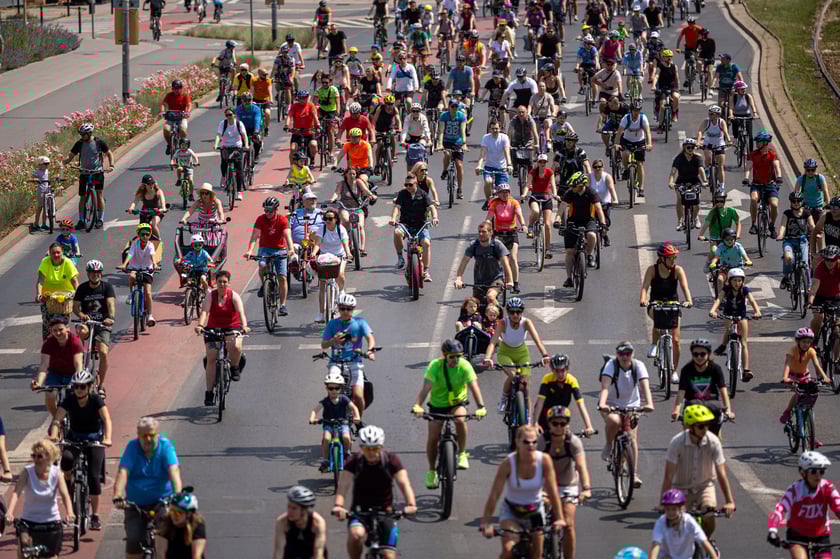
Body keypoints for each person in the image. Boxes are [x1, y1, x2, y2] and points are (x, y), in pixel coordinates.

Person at [480, 425, 566, 559]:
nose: (531, 446)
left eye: (534, 442)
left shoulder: (544, 461)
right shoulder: (508, 463)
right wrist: (486, 522)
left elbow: (553, 491)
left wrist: (560, 518)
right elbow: (495, 494)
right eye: (526, 442)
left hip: (535, 512)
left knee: (537, 554)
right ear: (517, 442)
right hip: (512, 512)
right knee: (508, 551)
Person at [332, 425, 417, 559]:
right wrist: (339, 506)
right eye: (367, 449)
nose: (371, 452)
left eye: (375, 448)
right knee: (356, 535)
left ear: (381, 447)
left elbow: (404, 483)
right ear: (361, 448)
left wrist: (411, 504)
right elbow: (343, 486)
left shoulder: (391, 460)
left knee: (389, 555)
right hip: (360, 511)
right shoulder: (354, 461)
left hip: (386, 511)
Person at [412, 339, 487, 486]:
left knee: (460, 419)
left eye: (458, 356)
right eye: (452, 356)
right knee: (433, 438)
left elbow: (474, 387)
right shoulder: (435, 366)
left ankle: (462, 453)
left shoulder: (465, 366)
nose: (456, 359)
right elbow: (426, 388)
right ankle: (432, 471)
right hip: (437, 405)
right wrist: (418, 406)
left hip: (457, 402)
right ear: (445, 356)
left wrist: (481, 407)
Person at [48, 369, 111, 531]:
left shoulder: (96, 400)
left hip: (94, 440)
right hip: (74, 438)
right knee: (67, 461)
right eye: (76, 387)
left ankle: (95, 515)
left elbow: (106, 419)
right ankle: (69, 486)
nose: (79, 390)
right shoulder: (69, 400)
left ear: (89, 387)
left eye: (83, 387)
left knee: (93, 476)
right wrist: (54, 435)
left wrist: (107, 438)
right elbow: (57, 419)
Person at [660, 404, 736, 539]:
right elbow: (668, 477)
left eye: (707, 425)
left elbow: (721, 473)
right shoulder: (677, 443)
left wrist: (729, 501)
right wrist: (663, 503)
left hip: (705, 487)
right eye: (701, 426)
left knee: (710, 515)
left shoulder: (713, 442)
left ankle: (706, 544)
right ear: (690, 427)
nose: (705, 429)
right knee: (677, 526)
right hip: (681, 488)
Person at [113, 417, 183, 559]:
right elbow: (123, 472)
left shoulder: (165, 447)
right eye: (144, 436)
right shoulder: (132, 448)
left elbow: (174, 471)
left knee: (165, 538)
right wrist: (118, 494)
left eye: (152, 435)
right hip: (135, 503)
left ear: (157, 434)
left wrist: (177, 495)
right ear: (138, 435)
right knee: (133, 540)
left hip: (162, 501)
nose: (148, 439)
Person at [597, 341, 654, 487]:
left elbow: (645, 386)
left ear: (632, 354)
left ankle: (633, 474)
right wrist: (603, 404)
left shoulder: (638, 366)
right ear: (617, 355)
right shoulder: (611, 365)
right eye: (621, 354)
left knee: (632, 438)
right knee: (615, 421)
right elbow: (605, 386)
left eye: (627, 353)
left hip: (631, 406)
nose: (624, 357)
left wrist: (649, 403)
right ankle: (609, 445)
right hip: (611, 404)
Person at [4, 439, 74, 559]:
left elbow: (64, 494)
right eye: (33, 456)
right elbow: (16, 492)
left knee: (51, 555)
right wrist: (9, 512)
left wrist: (69, 512)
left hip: (51, 521)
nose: (35, 459)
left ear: (49, 457)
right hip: (29, 521)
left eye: (39, 456)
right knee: (24, 552)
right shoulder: (27, 472)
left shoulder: (56, 473)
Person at [484, 297, 551, 412]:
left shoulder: (526, 322)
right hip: (505, 352)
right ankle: (504, 399)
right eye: (512, 312)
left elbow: (537, 340)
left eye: (518, 311)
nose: (515, 314)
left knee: (525, 384)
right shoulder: (503, 323)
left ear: (522, 312)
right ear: (508, 312)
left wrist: (545, 355)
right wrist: (488, 357)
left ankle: (528, 418)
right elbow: (493, 342)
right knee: (513, 376)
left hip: (522, 352)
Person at [768, 451, 840, 556]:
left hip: (821, 536)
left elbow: (838, 508)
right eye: (813, 471)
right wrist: (772, 530)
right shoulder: (794, 489)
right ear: (803, 473)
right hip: (797, 536)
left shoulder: (828, 488)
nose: (818, 475)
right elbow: (781, 509)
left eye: (821, 471)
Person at [195, 269, 249, 405]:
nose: (222, 284)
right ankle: (209, 393)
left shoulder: (234, 296)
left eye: (225, 282)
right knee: (211, 357)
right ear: (215, 282)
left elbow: (241, 312)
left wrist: (245, 326)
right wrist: (200, 326)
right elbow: (204, 312)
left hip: (233, 327)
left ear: (229, 283)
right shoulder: (210, 296)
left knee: (236, 346)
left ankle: (235, 367)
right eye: (219, 282)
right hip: (213, 327)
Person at [640, 242, 693, 381]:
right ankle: (654, 344)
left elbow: (685, 287)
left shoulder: (678, 270)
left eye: (674, 258)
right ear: (662, 258)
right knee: (659, 322)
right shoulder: (652, 270)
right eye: (670, 258)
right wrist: (643, 299)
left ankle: (674, 371)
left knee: (676, 340)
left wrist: (688, 300)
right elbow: (645, 287)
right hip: (656, 304)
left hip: (673, 304)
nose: (673, 260)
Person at [545, 405, 592, 559]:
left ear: (568, 425)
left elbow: (581, 466)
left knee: (569, 524)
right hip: (545, 486)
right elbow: (534, 466)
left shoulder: (573, 442)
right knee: (535, 524)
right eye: (555, 423)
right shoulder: (542, 441)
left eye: (563, 423)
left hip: (568, 486)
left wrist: (586, 488)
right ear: (549, 424)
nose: (559, 427)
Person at [321, 293, 376, 413]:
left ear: (353, 309)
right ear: (338, 309)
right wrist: (333, 340)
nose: (345, 311)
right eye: (342, 308)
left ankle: (358, 421)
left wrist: (370, 350)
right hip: (335, 363)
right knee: (333, 390)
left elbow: (370, 338)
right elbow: (323, 344)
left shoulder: (360, 322)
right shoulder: (332, 324)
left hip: (354, 363)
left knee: (359, 396)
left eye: (349, 309)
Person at [671, 339, 733, 437]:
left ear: (708, 354)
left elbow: (723, 390)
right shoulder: (686, 370)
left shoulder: (715, 368)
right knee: (687, 437)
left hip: (711, 406)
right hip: (692, 407)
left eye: (702, 354)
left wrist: (728, 410)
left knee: (716, 439)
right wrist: (676, 410)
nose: (699, 357)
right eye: (695, 354)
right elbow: (681, 392)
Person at [245, 197, 295, 314]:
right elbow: (254, 236)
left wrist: (291, 249)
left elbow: (288, 236)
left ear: (276, 210)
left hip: (280, 249)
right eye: (266, 210)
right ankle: (264, 284)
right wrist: (249, 250)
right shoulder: (260, 219)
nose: (267, 213)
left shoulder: (282, 220)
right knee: (262, 265)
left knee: (282, 277)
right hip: (265, 249)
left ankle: (282, 305)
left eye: (270, 210)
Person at [532, 354, 596, 442]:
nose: (560, 374)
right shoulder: (547, 379)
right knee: (542, 442)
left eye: (563, 370)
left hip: (561, 413)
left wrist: (588, 426)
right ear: (552, 370)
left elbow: (581, 405)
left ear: (567, 369)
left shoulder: (572, 381)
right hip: (545, 413)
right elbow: (540, 403)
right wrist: (535, 423)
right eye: (557, 371)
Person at [72, 259, 115, 392]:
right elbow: (75, 306)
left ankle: (101, 385)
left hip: (102, 324)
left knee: (103, 352)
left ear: (101, 274)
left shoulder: (106, 287)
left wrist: (110, 317)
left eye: (97, 272)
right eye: (92, 272)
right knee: (80, 331)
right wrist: (81, 315)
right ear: (88, 273)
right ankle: (82, 354)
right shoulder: (82, 288)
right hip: (87, 324)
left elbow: (110, 304)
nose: (95, 275)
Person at [63, 123, 113, 230]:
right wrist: (66, 162)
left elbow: (109, 153)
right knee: (82, 197)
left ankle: (100, 219)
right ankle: (81, 220)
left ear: (89, 133)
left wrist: (111, 165)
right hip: (84, 172)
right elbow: (72, 155)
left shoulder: (98, 142)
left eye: (83, 134)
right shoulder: (80, 143)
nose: (81, 136)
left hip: (97, 172)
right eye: (81, 134)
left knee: (99, 194)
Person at [454, 220, 514, 307]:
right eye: (479, 232)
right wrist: (458, 279)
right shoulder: (473, 245)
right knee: (473, 306)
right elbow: (464, 262)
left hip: (496, 280)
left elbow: (506, 264)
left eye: (484, 232)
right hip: (479, 281)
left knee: (490, 297)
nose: (481, 234)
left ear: (490, 233)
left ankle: (499, 315)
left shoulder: (497, 245)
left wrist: (510, 281)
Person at [31, 318, 84, 417]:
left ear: (67, 328)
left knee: (74, 398)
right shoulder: (48, 343)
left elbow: (78, 364)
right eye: (55, 330)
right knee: (50, 396)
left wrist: (79, 379)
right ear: (51, 331)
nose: (58, 333)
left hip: (71, 374)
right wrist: (38, 382)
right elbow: (44, 366)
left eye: (60, 329)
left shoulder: (75, 342)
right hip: (55, 373)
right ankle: (56, 420)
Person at [390, 174, 439, 280]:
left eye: (410, 185)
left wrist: (435, 218)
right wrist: (393, 219)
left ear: (416, 184)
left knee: (426, 243)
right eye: (406, 185)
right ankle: (400, 258)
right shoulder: (402, 194)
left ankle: (426, 271)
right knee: (397, 232)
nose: (408, 187)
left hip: (420, 225)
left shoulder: (423, 194)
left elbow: (431, 207)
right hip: (405, 224)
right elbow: (397, 208)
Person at [310, 371, 361, 471]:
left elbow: (354, 407)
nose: (334, 391)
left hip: (343, 423)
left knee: (346, 437)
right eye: (331, 388)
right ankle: (325, 460)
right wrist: (312, 418)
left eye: (336, 388)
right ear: (327, 388)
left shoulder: (344, 399)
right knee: (327, 439)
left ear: (340, 388)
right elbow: (315, 410)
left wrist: (357, 416)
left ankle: (347, 453)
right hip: (328, 424)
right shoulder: (325, 401)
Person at [779, 328, 830, 426]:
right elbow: (788, 364)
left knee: (810, 396)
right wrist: (785, 377)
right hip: (793, 377)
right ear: (798, 341)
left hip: (805, 376)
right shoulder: (792, 350)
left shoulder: (811, 351)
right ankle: (788, 412)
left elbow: (816, 365)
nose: (806, 344)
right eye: (803, 342)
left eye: (808, 342)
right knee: (798, 394)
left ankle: (811, 434)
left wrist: (825, 377)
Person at [650, 488, 720, 559]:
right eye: (668, 509)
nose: (671, 512)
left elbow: (704, 542)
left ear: (681, 508)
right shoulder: (661, 522)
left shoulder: (689, 521)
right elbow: (656, 545)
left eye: (674, 509)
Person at [562, 172, 608, 278]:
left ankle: (589, 254)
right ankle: (569, 278)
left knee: (592, 235)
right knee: (569, 252)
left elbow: (598, 208)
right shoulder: (570, 193)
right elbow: (562, 206)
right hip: (573, 221)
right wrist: (557, 219)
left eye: (574, 186)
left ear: (581, 185)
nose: (572, 187)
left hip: (588, 220)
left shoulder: (591, 192)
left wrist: (603, 223)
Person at [313, 207, 351, 322]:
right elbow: (318, 243)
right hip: (325, 256)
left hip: (339, 255)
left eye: (330, 218)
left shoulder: (341, 229)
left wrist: (348, 253)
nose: (328, 221)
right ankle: (321, 313)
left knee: (340, 274)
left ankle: (341, 290)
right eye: (326, 218)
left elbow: (345, 243)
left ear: (336, 219)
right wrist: (314, 253)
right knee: (322, 285)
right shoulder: (322, 229)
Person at [36, 242, 80, 340]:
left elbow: (75, 281)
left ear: (62, 253)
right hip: (48, 298)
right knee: (48, 326)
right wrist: (39, 294)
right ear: (50, 253)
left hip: (65, 299)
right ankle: (47, 348)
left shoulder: (68, 262)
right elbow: (40, 281)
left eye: (58, 252)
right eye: (53, 253)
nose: (56, 255)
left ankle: (66, 346)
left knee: (63, 326)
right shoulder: (45, 261)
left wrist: (78, 294)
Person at [487, 183, 525, 292]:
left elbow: (519, 215)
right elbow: (489, 217)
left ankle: (516, 283)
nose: (505, 194)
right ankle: (495, 281)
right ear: (498, 194)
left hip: (512, 233)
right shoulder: (494, 203)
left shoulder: (514, 202)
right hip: (499, 234)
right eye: (502, 192)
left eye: (507, 192)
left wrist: (523, 225)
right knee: (496, 258)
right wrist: (486, 224)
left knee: (513, 258)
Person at [119, 222, 159, 326]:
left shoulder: (150, 245)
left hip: (147, 269)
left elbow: (152, 256)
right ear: (139, 235)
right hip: (134, 268)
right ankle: (131, 294)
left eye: (147, 234)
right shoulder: (134, 244)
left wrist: (154, 264)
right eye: (143, 234)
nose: (145, 236)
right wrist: (124, 264)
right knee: (132, 276)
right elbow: (130, 255)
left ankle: (150, 315)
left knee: (148, 293)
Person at [745, 130, 784, 237]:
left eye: (758, 141)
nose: (756, 143)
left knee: (774, 205)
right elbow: (748, 166)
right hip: (757, 184)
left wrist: (779, 176)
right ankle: (753, 224)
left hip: (770, 184)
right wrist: (746, 177)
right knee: (753, 199)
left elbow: (776, 165)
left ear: (765, 143)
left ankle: (771, 225)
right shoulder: (753, 154)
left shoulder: (772, 154)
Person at [273, 486, 328, 559]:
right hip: (292, 554)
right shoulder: (282, 522)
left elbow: (318, 552)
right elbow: (278, 551)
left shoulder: (317, 522)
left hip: (312, 554)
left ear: (304, 510)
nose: (290, 511)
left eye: (294, 508)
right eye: (288, 507)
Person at [778, 191, 815, 290]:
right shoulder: (787, 213)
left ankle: (809, 285)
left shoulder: (806, 213)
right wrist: (781, 234)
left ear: (802, 202)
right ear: (790, 202)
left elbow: (812, 226)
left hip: (803, 241)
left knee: (805, 263)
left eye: (798, 201)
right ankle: (786, 277)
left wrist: (816, 233)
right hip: (789, 241)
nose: (796, 203)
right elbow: (783, 225)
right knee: (788, 258)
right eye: (793, 201)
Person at [155, 489, 207, 559]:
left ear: (189, 514)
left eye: (179, 513)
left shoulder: (197, 525)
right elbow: (160, 555)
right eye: (172, 511)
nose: (174, 516)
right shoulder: (164, 523)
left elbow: (196, 556)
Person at [615, 99, 653, 196]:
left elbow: (648, 132)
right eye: (635, 110)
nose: (637, 112)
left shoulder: (643, 118)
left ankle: (641, 188)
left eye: (638, 110)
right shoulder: (626, 118)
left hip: (640, 141)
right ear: (631, 110)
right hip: (627, 140)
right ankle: (626, 168)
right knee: (625, 153)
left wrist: (649, 144)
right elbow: (619, 132)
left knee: (640, 164)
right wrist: (616, 144)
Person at [668, 138, 707, 231]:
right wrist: (671, 182)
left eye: (692, 147)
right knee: (679, 199)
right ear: (684, 148)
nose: (690, 149)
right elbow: (673, 172)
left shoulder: (698, 158)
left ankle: (695, 217)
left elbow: (701, 170)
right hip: (681, 180)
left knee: (697, 201)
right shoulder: (679, 158)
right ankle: (680, 220)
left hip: (695, 180)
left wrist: (704, 181)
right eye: (688, 147)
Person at [523, 153, 557, 254]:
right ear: (537, 162)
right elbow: (527, 184)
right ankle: (530, 226)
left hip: (546, 197)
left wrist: (555, 194)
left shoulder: (549, 172)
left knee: (547, 224)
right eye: (540, 162)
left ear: (546, 163)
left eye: (544, 162)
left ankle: (547, 248)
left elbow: (553, 185)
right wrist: (524, 194)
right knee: (536, 211)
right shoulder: (533, 172)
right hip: (535, 197)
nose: (542, 163)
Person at [214, 107, 249, 200]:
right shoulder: (223, 123)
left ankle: (239, 191)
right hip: (226, 147)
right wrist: (216, 144)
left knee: (239, 168)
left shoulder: (239, 124)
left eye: (230, 114)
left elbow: (244, 135)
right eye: (227, 115)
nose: (228, 117)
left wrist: (246, 145)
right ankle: (224, 176)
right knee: (224, 162)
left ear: (234, 115)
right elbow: (218, 135)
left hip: (237, 147)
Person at [809, 245, 840, 350]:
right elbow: (814, 287)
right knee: (819, 317)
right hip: (820, 297)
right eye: (827, 259)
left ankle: (836, 363)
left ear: (837, 258)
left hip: (835, 298)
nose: (829, 263)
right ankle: (813, 340)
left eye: (833, 260)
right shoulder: (820, 268)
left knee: (837, 331)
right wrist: (810, 302)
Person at [697, 190, 740, 263]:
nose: (719, 203)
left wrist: (738, 234)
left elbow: (737, 222)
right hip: (715, 237)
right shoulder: (713, 212)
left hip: (727, 236)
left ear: (725, 200)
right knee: (713, 250)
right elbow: (706, 224)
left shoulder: (731, 210)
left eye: (721, 201)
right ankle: (708, 262)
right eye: (717, 201)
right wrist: (701, 235)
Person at [438, 98, 469, 196]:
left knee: (459, 165)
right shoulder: (444, 116)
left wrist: (464, 143)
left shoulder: (461, 116)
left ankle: (459, 189)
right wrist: (440, 143)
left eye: (456, 106)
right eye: (452, 106)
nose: (454, 108)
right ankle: (444, 170)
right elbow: (441, 131)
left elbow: (463, 131)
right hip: (447, 140)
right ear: (449, 107)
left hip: (457, 141)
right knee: (447, 153)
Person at [708, 228, 752, 294]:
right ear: (723, 240)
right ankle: (720, 297)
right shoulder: (720, 247)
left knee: (740, 283)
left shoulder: (738, 246)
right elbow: (716, 257)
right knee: (720, 279)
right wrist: (713, 263)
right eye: (727, 239)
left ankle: (743, 297)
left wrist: (748, 261)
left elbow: (744, 255)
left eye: (731, 239)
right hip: (724, 269)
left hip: (737, 269)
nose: (729, 241)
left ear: (735, 239)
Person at [697, 105, 731, 189]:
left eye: (712, 114)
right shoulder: (706, 121)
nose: (710, 115)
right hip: (708, 143)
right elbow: (700, 132)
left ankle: (722, 187)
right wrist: (698, 141)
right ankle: (707, 170)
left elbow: (726, 132)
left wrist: (729, 141)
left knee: (720, 166)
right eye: (709, 113)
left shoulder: (721, 122)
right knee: (708, 158)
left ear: (718, 115)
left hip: (719, 144)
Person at [127, 174, 167, 241]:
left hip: (156, 212)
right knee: (142, 228)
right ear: (144, 185)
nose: (151, 185)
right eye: (149, 184)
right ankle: (141, 244)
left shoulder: (158, 191)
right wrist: (131, 208)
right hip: (145, 212)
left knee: (152, 224)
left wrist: (163, 208)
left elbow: (163, 202)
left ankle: (159, 241)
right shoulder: (141, 193)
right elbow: (135, 202)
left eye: (152, 183)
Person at [588, 159, 618, 245]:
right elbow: (586, 189)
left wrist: (615, 199)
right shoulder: (589, 177)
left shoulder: (607, 177)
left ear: (603, 167)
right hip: (593, 205)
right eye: (595, 167)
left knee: (605, 224)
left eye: (599, 167)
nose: (597, 169)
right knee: (590, 223)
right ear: (593, 168)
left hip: (605, 204)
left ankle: (605, 235)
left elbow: (611, 189)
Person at [159, 80, 193, 156]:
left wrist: (188, 112)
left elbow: (189, 104)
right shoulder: (169, 95)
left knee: (183, 129)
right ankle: (169, 144)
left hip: (182, 116)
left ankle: (183, 144)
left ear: (181, 88)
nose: (176, 90)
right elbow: (163, 104)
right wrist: (162, 111)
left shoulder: (185, 95)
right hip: (171, 116)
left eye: (178, 88)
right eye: (174, 88)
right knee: (166, 129)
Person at [287, 89, 321, 165]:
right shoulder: (294, 106)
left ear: (307, 98)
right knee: (293, 149)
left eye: (304, 98)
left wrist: (318, 125)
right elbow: (289, 116)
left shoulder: (311, 105)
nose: (302, 100)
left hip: (309, 132)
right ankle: (292, 167)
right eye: (300, 98)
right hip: (297, 132)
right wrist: (286, 125)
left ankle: (312, 158)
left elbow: (315, 116)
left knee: (313, 145)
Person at [728, 81, 757, 153]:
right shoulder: (733, 97)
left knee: (750, 136)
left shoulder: (748, 96)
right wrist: (731, 115)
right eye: (741, 89)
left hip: (747, 116)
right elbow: (731, 107)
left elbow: (752, 106)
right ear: (737, 90)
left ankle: (750, 153)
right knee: (735, 123)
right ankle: (736, 140)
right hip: (736, 115)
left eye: (744, 88)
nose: (744, 90)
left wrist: (755, 113)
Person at [654, 49, 681, 125]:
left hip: (672, 88)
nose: (669, 58)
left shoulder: (674, 67)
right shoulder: (660, 67)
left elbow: (677, 78)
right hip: (662, 88)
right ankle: (660, 124)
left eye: (670, 57)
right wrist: (653, 86)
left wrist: (678, 89)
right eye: (667, 57)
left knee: (676, 97)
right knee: (662, 106)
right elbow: (656, 76)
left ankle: (674, 113)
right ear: (663, 57)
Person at [236, 92, 264, 161]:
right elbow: (237, 121)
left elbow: (257, 120)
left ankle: (256, 155)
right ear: (241, 101)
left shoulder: (256, 109)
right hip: (243, 128)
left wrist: (256, 131)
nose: (247, 102)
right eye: (245, 101)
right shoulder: (238, 109)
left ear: (252, 100)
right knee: (241, 143)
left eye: (249, 100)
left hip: (253, 127)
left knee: (257, 140)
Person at [30, 155, 52, 232]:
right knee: (40, 207)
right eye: (45, 164)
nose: (47, 165)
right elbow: (33, 177)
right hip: (41, 191)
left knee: (46, 208)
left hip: (47, 190)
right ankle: (36, 223)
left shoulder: (46, 170)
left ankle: (44, 223)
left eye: (48, 164)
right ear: (40, 164)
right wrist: (36, 179)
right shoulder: (38, 171)